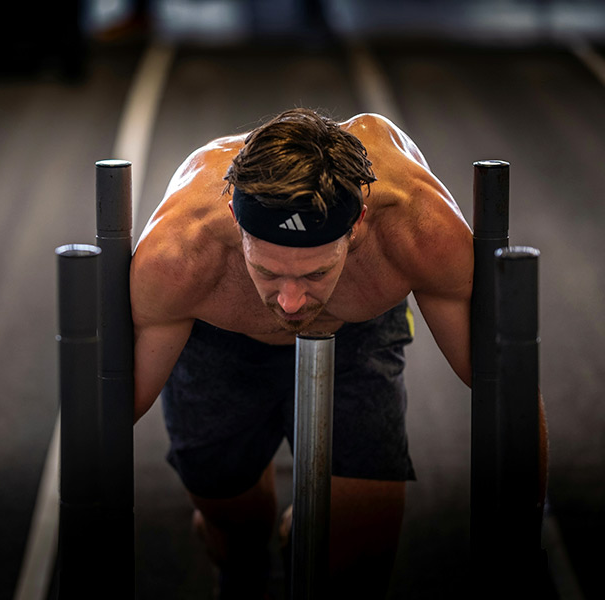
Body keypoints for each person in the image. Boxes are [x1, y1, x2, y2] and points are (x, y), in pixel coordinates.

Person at [131, 108, 486, 598]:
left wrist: (523, 538)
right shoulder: (179, 254)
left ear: (358, 225)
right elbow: (112, 413)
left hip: (355, 337)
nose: (291, 302)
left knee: (359, 563)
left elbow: (502, 390)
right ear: (235, 218)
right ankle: (239, 542)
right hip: (217, 345)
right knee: (239, 539)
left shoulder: (417, 226)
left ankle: (321, 519)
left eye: (316, 273)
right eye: (268, 272)